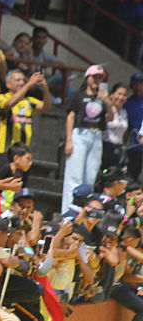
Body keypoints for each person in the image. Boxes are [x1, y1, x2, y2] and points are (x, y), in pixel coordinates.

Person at [62, 64, 109, 213]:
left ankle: (84, 212)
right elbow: (70, 117)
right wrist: (69, 140)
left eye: (100, 78)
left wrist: (108, 102)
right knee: (74, 175)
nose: (97, 80)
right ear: (87, 77)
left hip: (96, 136)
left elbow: (110, 118)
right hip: (80, 134)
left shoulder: (102, 97)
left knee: (90, 176)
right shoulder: (77, 95)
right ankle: (67, 211)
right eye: (94, 77)